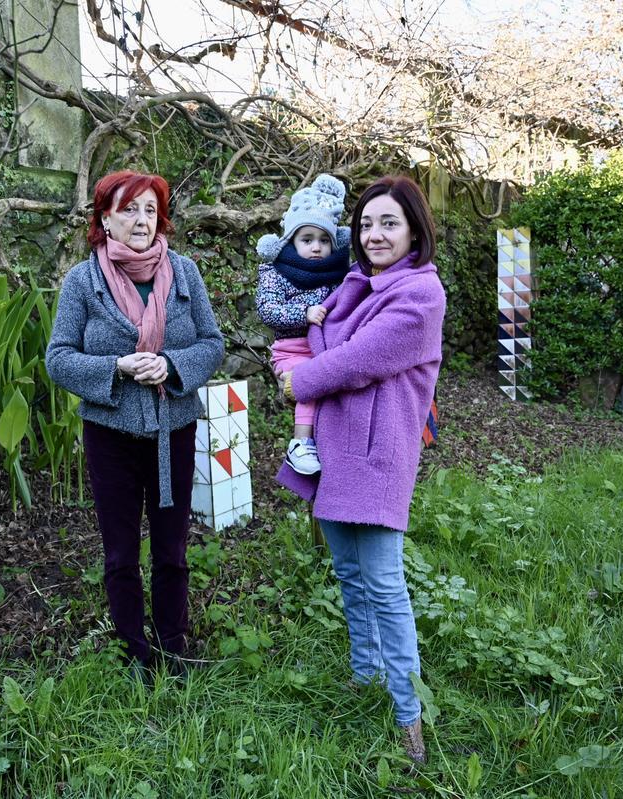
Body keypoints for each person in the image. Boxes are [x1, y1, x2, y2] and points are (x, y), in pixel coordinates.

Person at [276, 175, 446, 764]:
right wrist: (322, 340)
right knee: (349, 575)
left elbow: (354, 360)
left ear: (415, 230)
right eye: (366, 224)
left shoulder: (420, 296)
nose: (374, 235)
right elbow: (328, 338)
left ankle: (409, 718)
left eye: (389, 223)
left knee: (384, 584)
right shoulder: (360, 285)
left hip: (377, 456)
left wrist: (301, 377)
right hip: (337, 448)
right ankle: (365, 677)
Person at [45, 170, 224, 679]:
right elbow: (58, 359)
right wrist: (115, 368)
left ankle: (173, 646)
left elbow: (212, 344)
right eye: (129, 209)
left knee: (172, 548)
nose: (141, 220)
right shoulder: (84, 281)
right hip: (111, 437)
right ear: (105, 218)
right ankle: (132, 652)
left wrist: (171, 365)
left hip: (175, 429)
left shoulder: (184, 272)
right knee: (121, 551)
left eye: (150, 209)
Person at [255, 174, 352, 475]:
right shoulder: (276, 271)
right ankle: (300, 442)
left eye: (324, 240)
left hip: (325, 347)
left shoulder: (338, 272)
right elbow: (267, 309)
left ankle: (327, 444)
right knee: (308, 382)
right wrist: (304, 312)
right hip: (292, 349)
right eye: (307, 239)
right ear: (291, 240)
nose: (316, 247)